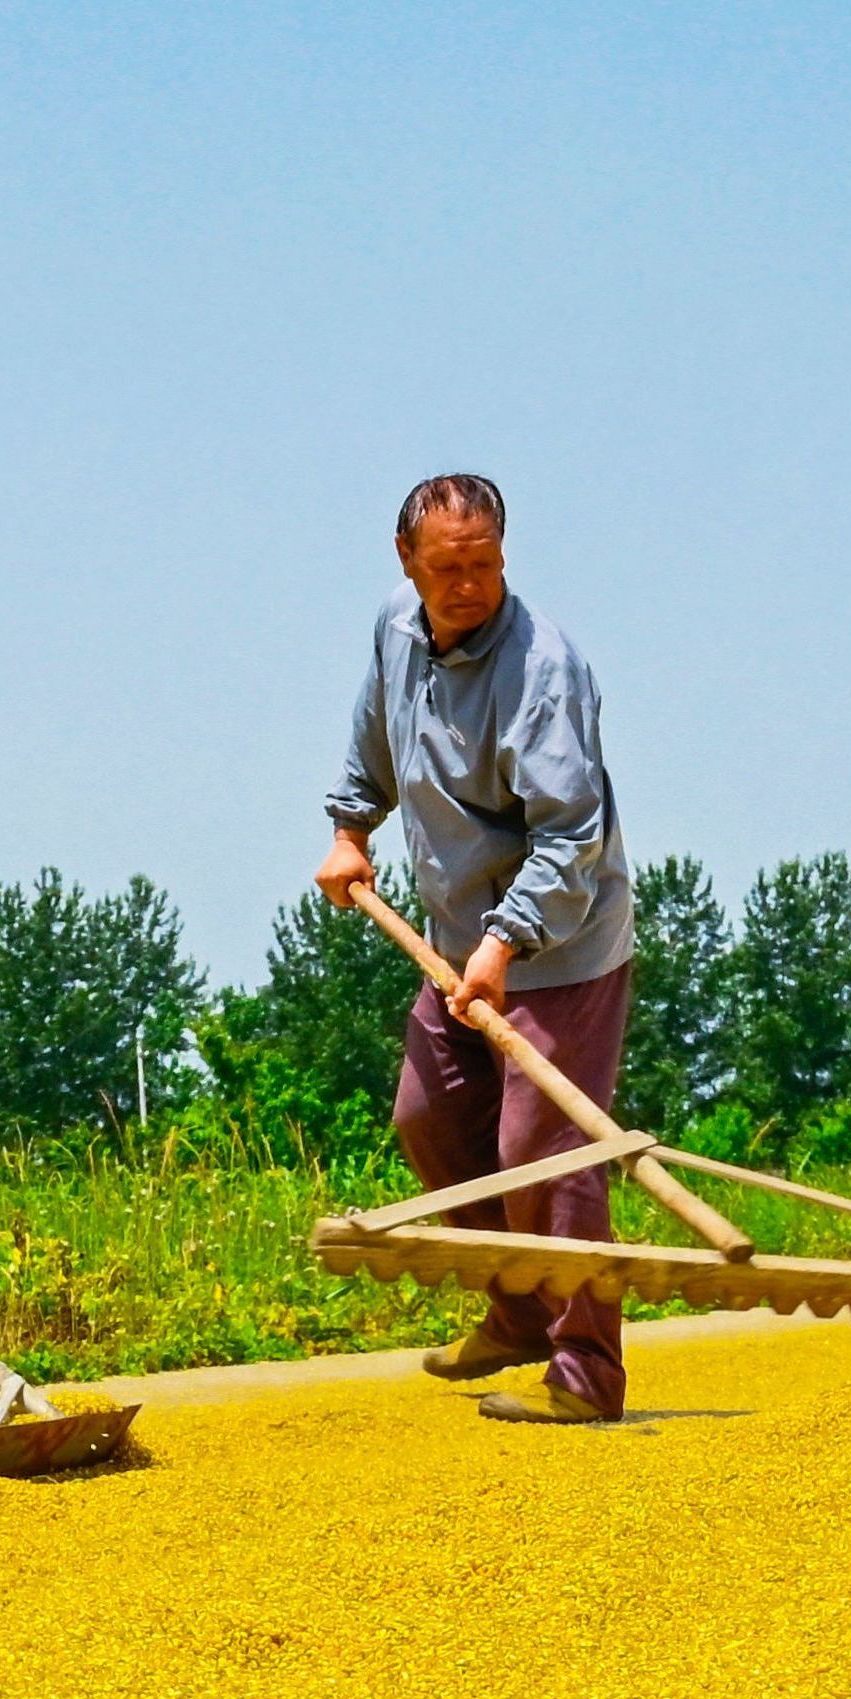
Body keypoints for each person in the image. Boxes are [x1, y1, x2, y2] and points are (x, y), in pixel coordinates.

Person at [315, 473, 636, 1425]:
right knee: (433, 1120)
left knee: (539, 1148)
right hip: (457, 943)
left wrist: (505, 941)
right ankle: (518, 1311)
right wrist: (348, 828)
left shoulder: (544, 671)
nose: (468, 586)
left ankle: (586, 1374)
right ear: (408, 564)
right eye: (447, 568)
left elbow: (569, 832)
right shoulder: (396, 630)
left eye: (485, 565)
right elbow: (375, 736)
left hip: (559, 944)